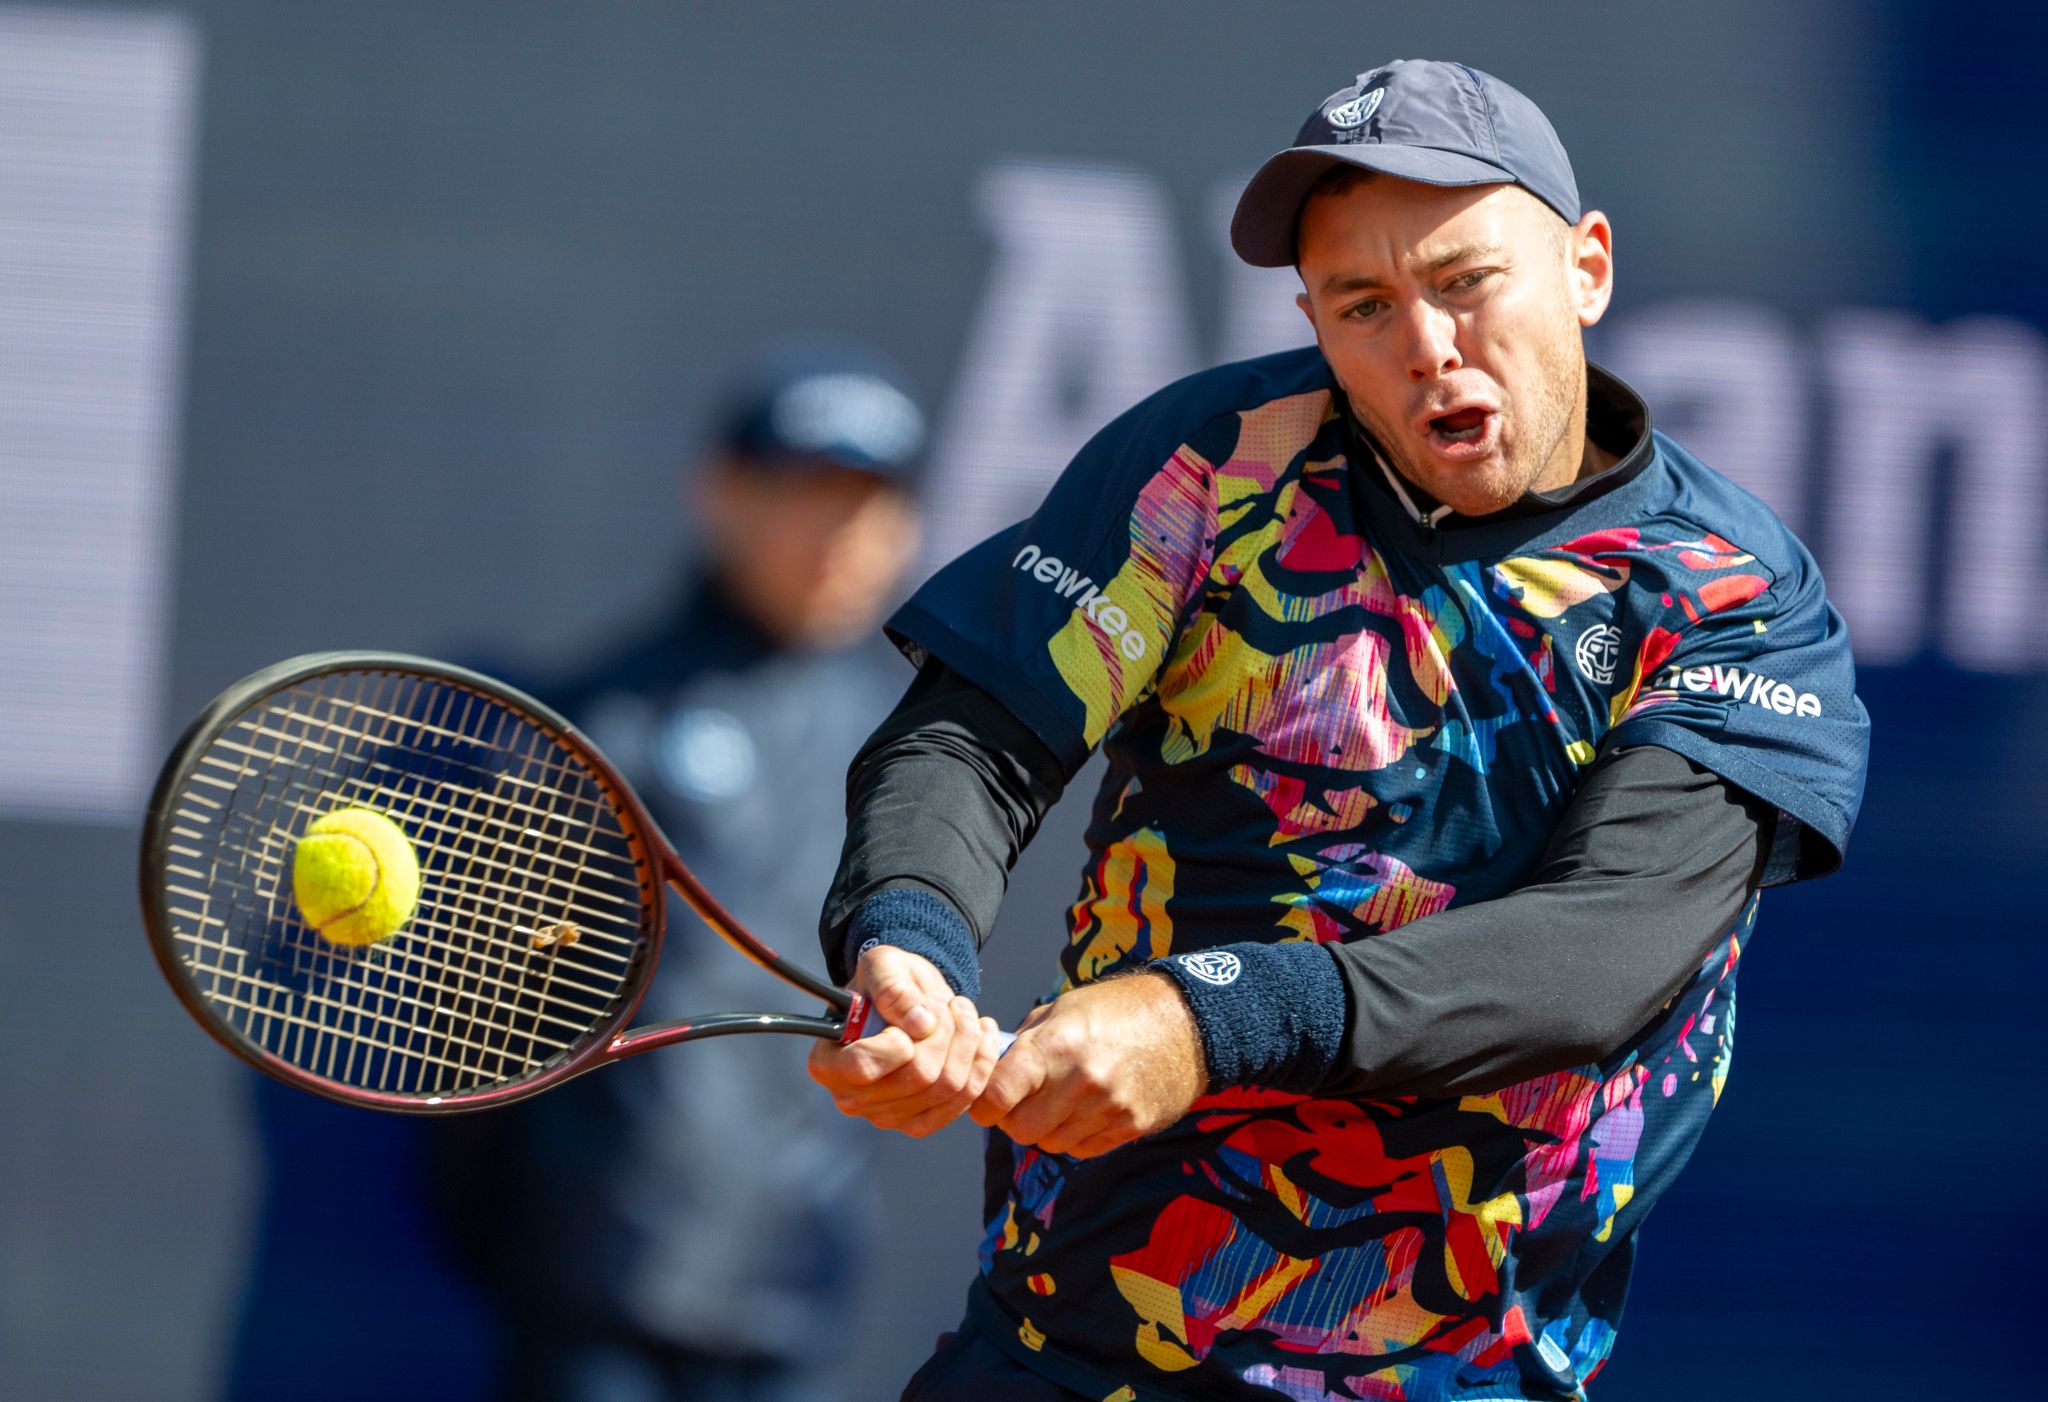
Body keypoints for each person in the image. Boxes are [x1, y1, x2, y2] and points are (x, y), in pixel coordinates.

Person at [807, 60, 1869, 1402]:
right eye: (1365, 305)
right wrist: (909, 935)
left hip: (1459, 1373)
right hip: (1072, 1341)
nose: (1425, 342)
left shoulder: (1730, 591)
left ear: (1586, 269)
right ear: (1312, 317)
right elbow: (974, 740)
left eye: (1467, 279)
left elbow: (1596, 951)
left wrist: (1202, 1018)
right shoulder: (1212, 460)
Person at [433, 337, 929, 1402]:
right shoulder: (606, 719)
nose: (839, 536)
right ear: (721, 493)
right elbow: (486, 1022)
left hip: (799, 1308)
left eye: (870, 503)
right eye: (810, 494)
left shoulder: (921, 754)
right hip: (595, 1300)